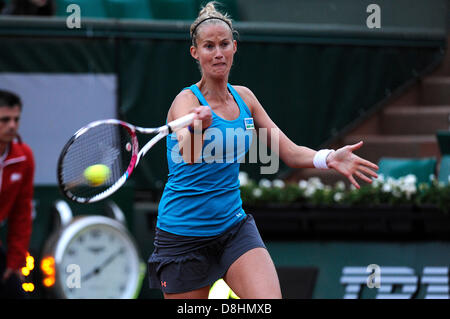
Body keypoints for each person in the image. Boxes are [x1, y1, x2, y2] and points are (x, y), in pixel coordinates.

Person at [148, 1, 379, 299]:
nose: (218, 53)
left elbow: (291, 152)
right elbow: (190, 155)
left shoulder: (245, 98)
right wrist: (197, 128)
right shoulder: (186, 101)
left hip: (233, 229)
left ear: (234, 47)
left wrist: (328, 158)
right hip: (183, 236)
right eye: (208, 46)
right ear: (195, 52)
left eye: (224, 44)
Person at [0, 89, 35, 299]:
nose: (12, 125)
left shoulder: (24, 157)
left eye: (16, 119)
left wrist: (15, 262)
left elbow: (22, 213)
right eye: (4, 120)